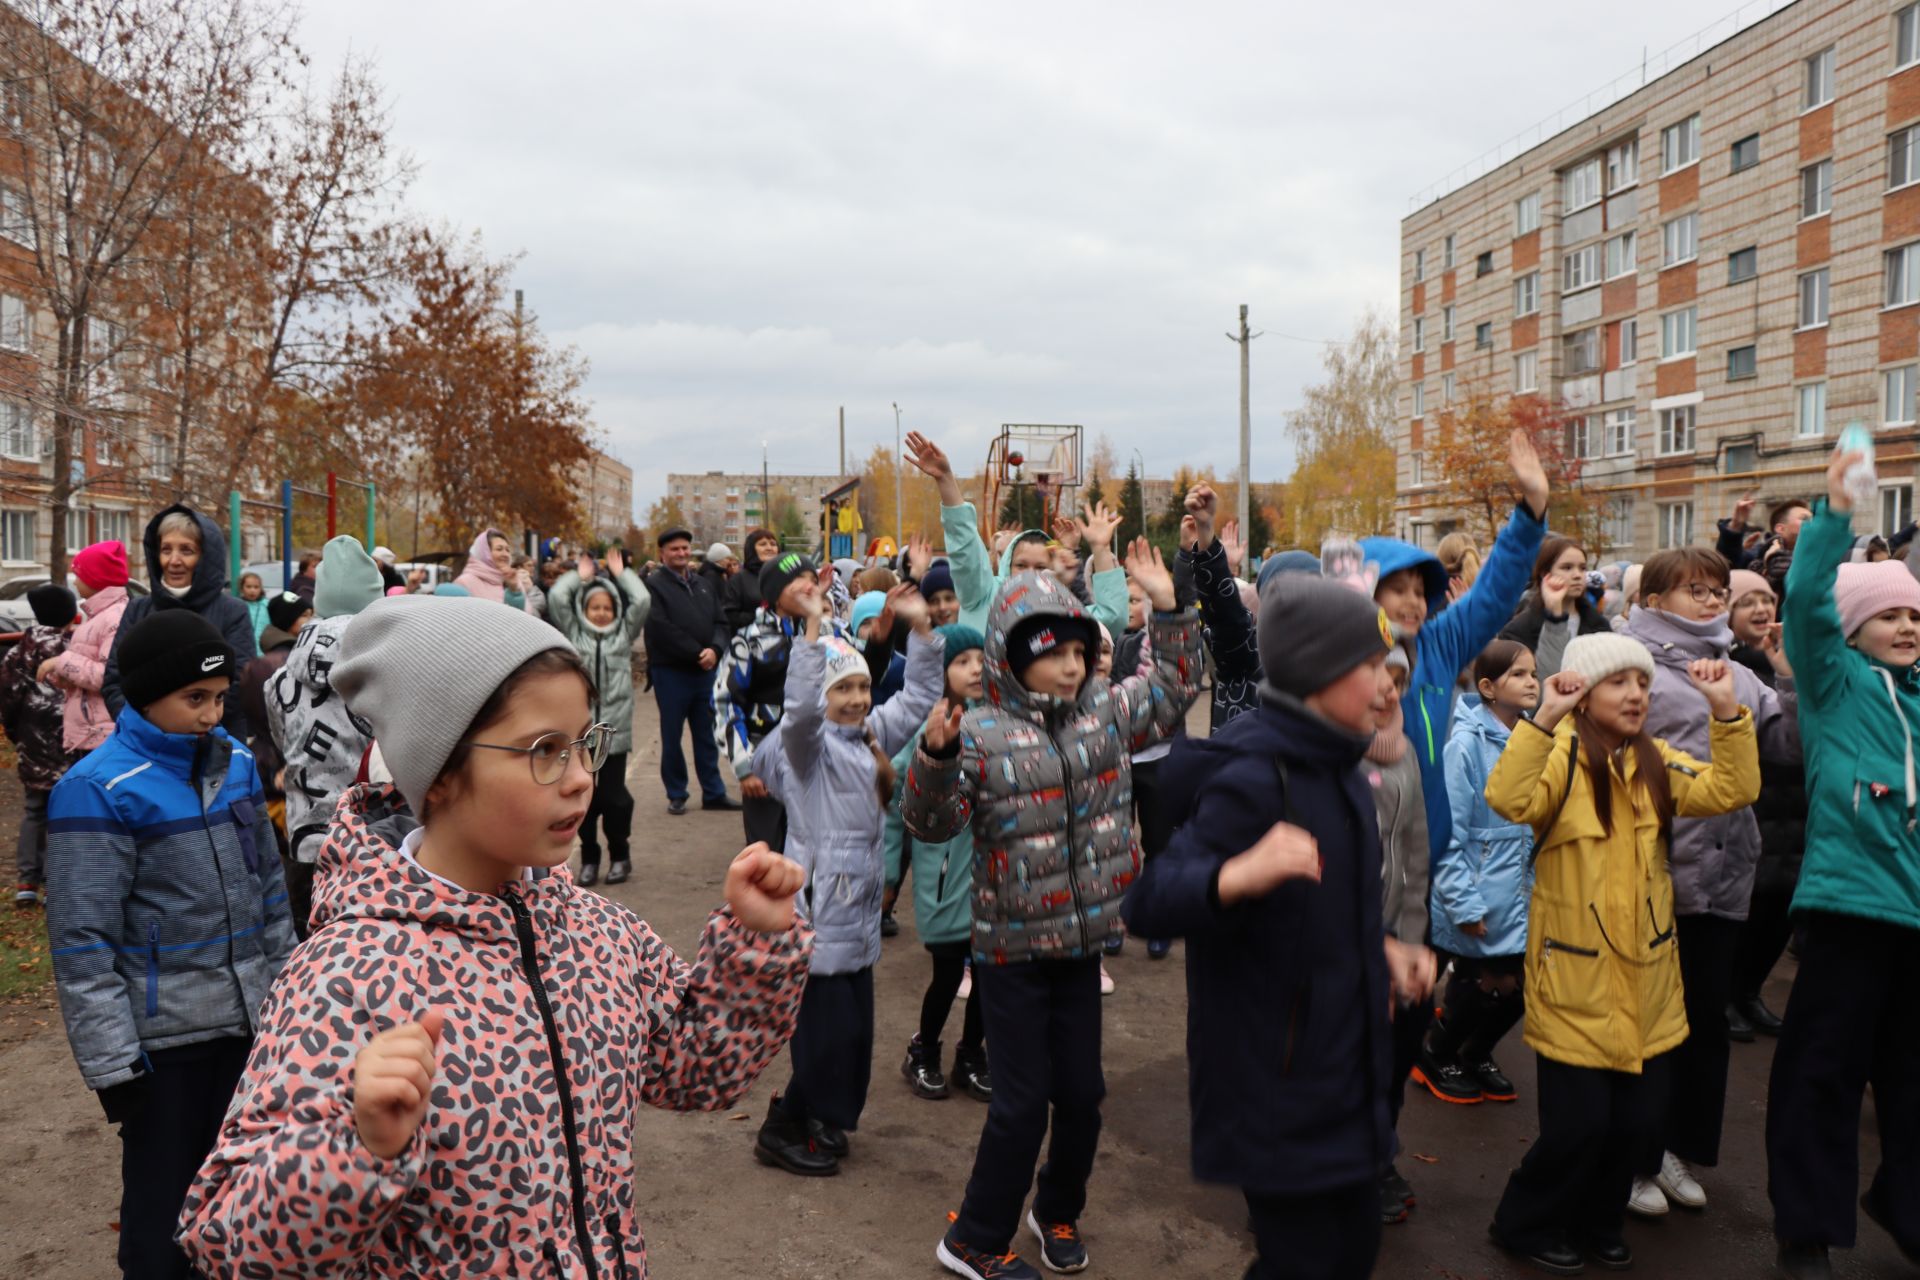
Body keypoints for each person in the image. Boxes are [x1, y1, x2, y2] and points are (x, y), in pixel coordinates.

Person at [175, 595, 813, 1280]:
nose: (580, 781)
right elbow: (229, 1242)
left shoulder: (596, 933)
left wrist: (753, 945)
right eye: (543, 751)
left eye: (582, 745)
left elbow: (695, 1072)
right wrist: (359, 1148)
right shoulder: (346, 976)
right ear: (441, 773)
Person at [1122, 573, 1437, 1280]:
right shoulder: (1257, 777)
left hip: (1345, 1074)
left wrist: (1380, 949)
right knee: (1303, 1264)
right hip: (1276, 1086)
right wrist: (1236, 874)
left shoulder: (1344, 771)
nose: (1390, 687)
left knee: (1354, 1249)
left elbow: (1328, 906)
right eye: (1371, 670)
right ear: (1320, 674)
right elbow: (1149, 901)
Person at [905, 541, 1200, 1280]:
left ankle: (1055, 1207)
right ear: (1010, 656)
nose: (1072, 665)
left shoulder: (1103, 714)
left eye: (1079, 650)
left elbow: (1169, 689)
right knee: (1021, 1104)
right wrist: (935, 762)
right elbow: (931, 825)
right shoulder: (975, 733)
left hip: (1084, 943)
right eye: (1053, 652)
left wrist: (1169, 610)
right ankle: (972, 1237)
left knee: (1084, 1096)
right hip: (1009, 953)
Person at [1484, 635, 1758, 1277]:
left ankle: (1597, 1222)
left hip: (1649, 988)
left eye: (1642, 683)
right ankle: (1522, 1222)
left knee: (1636, 1126)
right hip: (1573, 983)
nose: (1636, 695)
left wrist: (1725, 712)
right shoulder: (1558, 760)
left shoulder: (1655, 763)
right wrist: (1543, 719)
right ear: (1582, 692)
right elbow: (1509, 798)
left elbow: (1732, 788)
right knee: (1577, 1128)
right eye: (1619, 683)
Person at [47, 608, 294, 1280]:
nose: (212, 715)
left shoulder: (239, 765)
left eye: (219, 698)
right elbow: (83, 946)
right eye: (194, 699)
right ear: (147, 693)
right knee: (163, 1219)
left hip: (252, 1030)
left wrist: (289, 1006)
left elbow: (270, 893)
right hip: (166, 1050)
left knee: (249, 1200)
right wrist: (113, 1067)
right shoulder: (97, 791)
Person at [1767, 446, 1920, 1280]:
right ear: (1855, 628)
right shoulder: (1836, 685)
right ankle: (1806, 1228)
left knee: (1912, 1082)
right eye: (1890, 616)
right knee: (1822, 1075)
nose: (1906, 628)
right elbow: (1805, 606)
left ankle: (1908, 1205)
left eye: (1916, 617)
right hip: (1847, 909)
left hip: (1916, 920)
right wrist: (1834, 516)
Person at [1623, 548, 1801, 1220]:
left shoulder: (1738, 671)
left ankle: (1677, 1148)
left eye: (1717, 589)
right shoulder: (1631, 661)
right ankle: (1633, 1158)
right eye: (1693, 588)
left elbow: (1789, 748)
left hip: (1725, 878)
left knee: (1702, 1020)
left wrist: (1786, 675)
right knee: (1646, 1024)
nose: (1709, 600)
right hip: (1655, 877)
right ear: (1655, 597)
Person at [750, 585, 941, 1175]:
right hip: (818, 915)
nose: (858, 699)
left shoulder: (870, 736)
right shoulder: (806, 751)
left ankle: (822, 1117)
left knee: (855, 1036)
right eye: (844, 690)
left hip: (856, 919)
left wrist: (923, 633)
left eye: (862, 687)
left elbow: (920, 696)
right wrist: (811, 634)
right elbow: (800, 713)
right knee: (824, 1037)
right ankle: (785, 1126)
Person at [1358, 428, 1549, 869]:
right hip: (1360, 853)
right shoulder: (1336, 659)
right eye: (1398, 589)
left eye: (1421, 591)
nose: (1413, 602)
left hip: (1426, 852)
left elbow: (1493, 595)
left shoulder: (1438, 643)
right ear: (1364, 591)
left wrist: (1531, 510)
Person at [1418, 639, 1539, 1108]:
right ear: (1488, 687)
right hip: (1480, 890)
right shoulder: (1464, 745)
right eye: (1519, 675)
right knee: (1480, 980)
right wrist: (1464, 903)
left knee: (1519, 987)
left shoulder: (1535, 737)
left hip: (1522, 891)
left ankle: (1476, 1050)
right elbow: (1448, 831)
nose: (1533, 682)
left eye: (1533, 673)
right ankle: (1437, 1052)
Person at [885, 623, 992, 1105]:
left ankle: (972, 1054)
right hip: (946, 877)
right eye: (962, 661)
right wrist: (889, 874)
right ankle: (923, 1048)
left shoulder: (997, 719)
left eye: (980, 659)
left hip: (995, 873)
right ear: (942, 672)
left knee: (990, 973)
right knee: (948, 974)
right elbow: (898, 804)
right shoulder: (928, 723)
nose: (974, 669)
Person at [715, 552, 886, 846]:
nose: (809, 586)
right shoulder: (749, 640)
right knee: (767, 851)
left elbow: (868, 666)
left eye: (811, 579)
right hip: (765, 763)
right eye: (798, 580)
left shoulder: (831, 632)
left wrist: (885, 637)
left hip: (818, 758)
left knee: (815, 848)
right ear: (774, 594)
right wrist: (744, 766)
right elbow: (725, 702)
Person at [267, 536, 386, 936]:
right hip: (374, 838)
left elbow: (282, 739)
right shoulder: (387, 671)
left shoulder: (280, 678)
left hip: (305, 840)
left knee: (312, 948)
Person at [903, 430, 1130, 638]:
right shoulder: (982, 596)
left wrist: (1100, 549)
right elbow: (965, 549)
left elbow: (1112, 618)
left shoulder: (1060, 608)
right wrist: (945, 480)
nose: (1029, 574)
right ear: (1006, 565)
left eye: (1041, 568)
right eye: (1021, 566)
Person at [1721, 568, 1799, 1042]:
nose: (1762, 609)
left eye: (1767, 599)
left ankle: (1749, 992)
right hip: (1753, 808)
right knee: (1746, 912)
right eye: (1747, 601)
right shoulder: (1724, 667)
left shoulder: (1793, 659)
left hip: (1799, 808)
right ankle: (1727, 994)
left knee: (1780, 914)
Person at [103, 504, 258, 741]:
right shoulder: (138, 609)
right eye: (166, 550)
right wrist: (149, 730)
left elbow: (238, 683)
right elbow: (115, 679)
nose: (174, 560)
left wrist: (194, 725)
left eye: (186, 550)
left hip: (215, 742)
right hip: (147, 744)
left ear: (205, 558)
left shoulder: (232, 611)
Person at [546, 548, 651, 887]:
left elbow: (642, 599)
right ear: (585, 609)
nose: (602, 613)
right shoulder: (575, 634)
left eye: (607, 607)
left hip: (615, 729)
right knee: (584, 795)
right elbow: (559, 596)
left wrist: (621, 574)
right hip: (582, 732)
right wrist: (581, 575)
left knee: (614, 796)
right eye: (595, 607)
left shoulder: (622, 634)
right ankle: (590, 856)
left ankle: (620, 853)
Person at [643, 527, 737, 816]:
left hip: (704, 673)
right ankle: (676, 793)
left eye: (685, 548)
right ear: (662, 554)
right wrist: (698, 653)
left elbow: (722, 623)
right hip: (671, 673)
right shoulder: (654, 586)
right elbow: (660, 628)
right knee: (671, 736)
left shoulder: (703, 584)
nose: (681, 553)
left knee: (706, 735)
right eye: (675, 549)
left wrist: (716, 650)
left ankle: (713, 792)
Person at [2, 584, 77, 907]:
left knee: (34, 808)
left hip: (33, 735)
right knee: (63, 811)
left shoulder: (22, 649)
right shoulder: (75, 646)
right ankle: (54, 881)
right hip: (71, 737)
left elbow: (9, 692)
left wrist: (14, 729)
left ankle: (26, 881)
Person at [237, 591, 312, 859]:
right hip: (280, 764)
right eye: (304, 615)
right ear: (288, 621)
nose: (310, 618)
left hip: (267, 759)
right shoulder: (297, 661)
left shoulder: (260, 664)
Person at [42, 539, 131, 759]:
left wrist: (60, 663)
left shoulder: (114, 618)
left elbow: (108, 675)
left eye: (79, 574)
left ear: (96, 578)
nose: (75, 581)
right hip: (91, 732)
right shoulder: (98, 615)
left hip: (103, 734)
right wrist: (65, 676)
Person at [1499, 537, 1614, 679]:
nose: (1577, 575)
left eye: (1582, 568)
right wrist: (1555, 611)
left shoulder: (1601, 626)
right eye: (1567, 567)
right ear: (1544, 574)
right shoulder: (1517, 632)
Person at [452, 528, 538, 612]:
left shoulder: (513, 581)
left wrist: (514, 589)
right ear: (485, 553)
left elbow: (524, 618)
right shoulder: (465, 582)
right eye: (499, 549)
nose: (505, 554)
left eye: (507, 550)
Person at [724, 527, 781, 633]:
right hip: (752, 643)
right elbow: (729, 616)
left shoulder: (786, 577)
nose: (769, 548)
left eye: (773, 544)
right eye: (763, 544)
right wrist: (759, 615)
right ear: (751, 549)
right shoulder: (738, 580)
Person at [236, 571, 270, 646]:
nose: (252, 590)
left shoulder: (267, 605)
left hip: (263, 649)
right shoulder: (237, 606)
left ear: (261, 589)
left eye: (256, 587)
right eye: (248, 587)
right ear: (242, 588)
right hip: (243, 647)